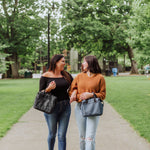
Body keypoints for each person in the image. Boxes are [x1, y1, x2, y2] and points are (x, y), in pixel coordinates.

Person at [70, 55, 106, 150]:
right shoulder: (79, 76)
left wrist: (90, 95)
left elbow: (103, 94)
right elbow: (72, 89)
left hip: (93, 108)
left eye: (84, 62)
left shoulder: (100, 77)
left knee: (89, 138)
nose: (82, 63)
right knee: (82, 137)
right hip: (80, 108)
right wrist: (76, 94)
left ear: (90, 63)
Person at [39, 54, 73, 150]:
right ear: (55, 62)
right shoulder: (45, 76)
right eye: (62, 61)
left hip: (65, 106)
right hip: (51, 108)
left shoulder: (66, 75)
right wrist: (48, 89)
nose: (64, 63)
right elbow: (40, 93)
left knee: (62, 135)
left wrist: (73, 93)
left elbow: (74, 87)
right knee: (52, 134)